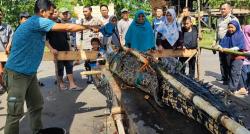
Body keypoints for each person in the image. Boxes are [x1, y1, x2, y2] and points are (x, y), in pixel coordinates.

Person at [3, 0, 98, 133]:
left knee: (36, 105)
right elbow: (68, 27)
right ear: (42, 12)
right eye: (51, 13)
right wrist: (90, 26)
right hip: (16, 74)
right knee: (15, 113)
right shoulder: (37, 21)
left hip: (30, 74)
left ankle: (37, 131)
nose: (53, 15)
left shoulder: (37, 24)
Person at [46, 7, 81, 91]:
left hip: (66, 49)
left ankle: (72, 84)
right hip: (56, 51)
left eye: (56, 11)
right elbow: (45, 40)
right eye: (52, 12)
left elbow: (67, 38)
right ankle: (61, 83)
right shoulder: (47, 24)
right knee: (59, 67)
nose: (54, 13)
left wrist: (70, 48)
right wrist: (51, 49)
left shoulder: (61, 23)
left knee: (69, 66)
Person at [219, 20, 248, 95]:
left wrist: (230, 49)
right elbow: (223, 43)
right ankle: (241, 88)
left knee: (235, 73)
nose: (230, 29)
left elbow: (240, 46)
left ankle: (232, 89)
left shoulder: (240, 34)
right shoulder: (228, 34)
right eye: (229, 27)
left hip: (238, 57)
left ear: (237, 27)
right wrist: (220, 47)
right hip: (231, 56)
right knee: (234, 73)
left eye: (232, 27)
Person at [213, 3, 239, 85]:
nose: (222, 10)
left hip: (229, 44)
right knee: (222, 61)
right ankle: (225, 78)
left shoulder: (233, 19)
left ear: (229, 9)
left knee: (229, 62)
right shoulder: (219, 19)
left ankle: (231, 80)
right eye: (221, 9)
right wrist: (214, 41)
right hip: (221, 43)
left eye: (224, 9)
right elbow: (217, 32)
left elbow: (237, 32)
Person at [0, 8, 13, 94]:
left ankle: (8, 87)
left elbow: (12, 37)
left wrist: (8, 46)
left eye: (0, 14)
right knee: (0, 73)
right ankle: (3, 86)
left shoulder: (7, 27)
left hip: (5, 54)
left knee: (6, 72)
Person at [242, 25, 250, 91]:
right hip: (245, 52)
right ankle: (246, 87)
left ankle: (247, 87)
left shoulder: (246, 28)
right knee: (246, 72)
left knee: (247, 72)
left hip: (246, 52)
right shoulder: (247, 28)